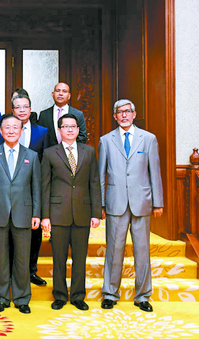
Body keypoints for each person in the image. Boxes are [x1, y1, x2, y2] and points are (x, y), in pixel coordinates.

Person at [99, 99, 163, 312]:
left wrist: (158, 202)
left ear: (134, 114)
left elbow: (155, 171)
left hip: (142, 201)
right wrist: (100, 202)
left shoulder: (149, 139)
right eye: (120, 112)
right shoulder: (106, 140)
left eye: (128, 111)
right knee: (114, 250)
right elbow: (100, 175)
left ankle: (143, 296)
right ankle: (110, 293)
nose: (124, 115)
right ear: (115, 116)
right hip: (115, 202)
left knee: (142, 250)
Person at [41, 113, 102, 311]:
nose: (69, 129)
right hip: (58, 213)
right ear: (59, 131)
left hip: (83, 213)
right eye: (65, 126)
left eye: (73, 126)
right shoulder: (50, 153)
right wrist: (45, 216)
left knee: (79, 257)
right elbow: (45, 186)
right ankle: (59, 295)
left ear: (78, 130)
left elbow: (94, 182)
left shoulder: (89, 152)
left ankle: (77, 295)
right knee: (58, 257)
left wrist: (96, 212)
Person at [0, 114, 41, 314]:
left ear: (22, 131)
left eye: (16, 127)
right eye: (7, 127)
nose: (11, 131)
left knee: (22, 259)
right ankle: (1, 298)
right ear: (1, 130)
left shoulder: (31, 156)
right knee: (1, 258)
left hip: (24, 214)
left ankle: (22, 298)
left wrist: (36, 213)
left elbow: (36, 188)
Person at [11, 93, 50, 287]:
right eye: (18, 107)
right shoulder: (5, 129)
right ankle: (11, 272)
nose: (22, 110)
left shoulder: (42, 132)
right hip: (11, 191)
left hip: (34, 188)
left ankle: (31, 271)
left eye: (25, 107)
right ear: (13, 110)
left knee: (35, 233)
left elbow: (46, 161)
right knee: (11, 231)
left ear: (30, 109)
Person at [37, 82, 87, 147]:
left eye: (64, 91)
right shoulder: (44, 115)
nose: (60, 94)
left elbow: (82, 136)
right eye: (57, 91)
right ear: (53, 94)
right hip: (50, 154)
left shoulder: (78, 114)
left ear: (69, 96)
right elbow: (41, 137)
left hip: (71, 153)